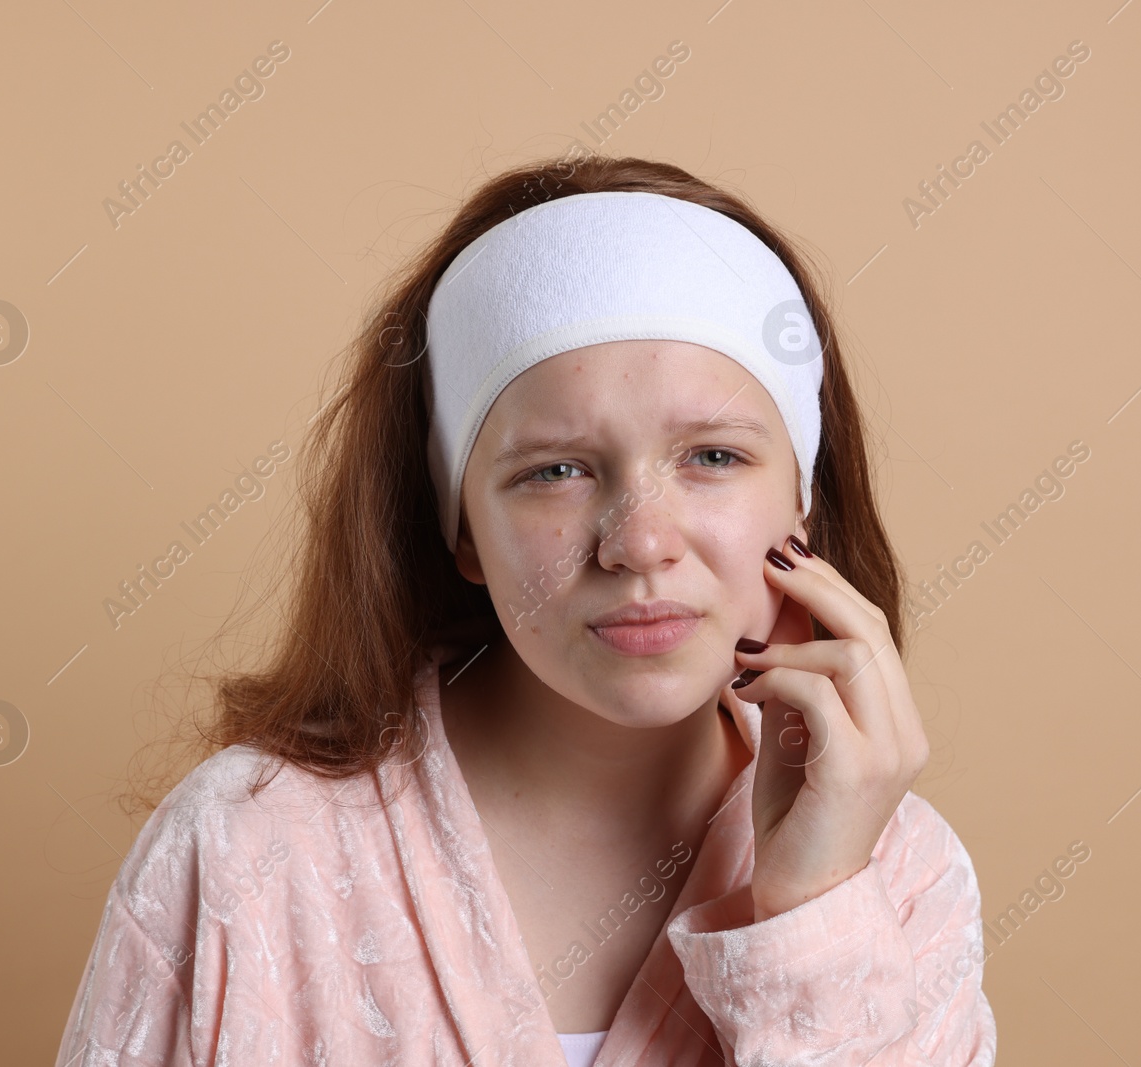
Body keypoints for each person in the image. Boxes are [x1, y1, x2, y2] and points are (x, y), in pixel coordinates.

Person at [53, 156, 997, 1066]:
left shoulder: (902, 873)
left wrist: (814, 914)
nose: (639, 542)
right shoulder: (242, 852)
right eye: (556, 471)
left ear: (803, 500)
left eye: (713, 456)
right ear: (462, 528)